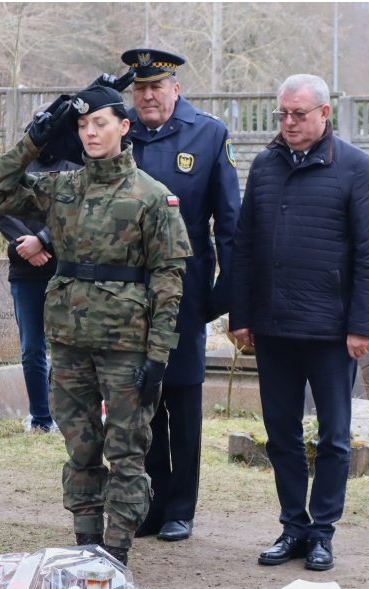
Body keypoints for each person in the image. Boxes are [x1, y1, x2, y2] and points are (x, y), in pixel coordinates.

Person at [0, 85, 192, 566]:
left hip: (126, 347)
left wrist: (158, 355)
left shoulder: (153, 198)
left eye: (101, 124)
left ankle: (116, 553)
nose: (90, 133)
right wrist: (33, 140)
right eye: (82, 126)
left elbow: (169, 279)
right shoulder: (62, 187)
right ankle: (86, 548)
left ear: (124, 128)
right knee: (81, 451)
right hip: (70, 342)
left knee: (127, 452)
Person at [230, 73, 369, 571]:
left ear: (324, 115)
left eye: (299, 114)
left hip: (330, 331)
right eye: (282, 114)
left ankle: (322, 532)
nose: (289, 123)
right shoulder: (265, 165)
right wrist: (242, 315)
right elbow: (245, 245)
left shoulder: (356, 169)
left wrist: (361, 326)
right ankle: (292, 526)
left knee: (334, 437)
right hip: (274, 328)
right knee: (281, 433)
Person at [111, 48, 241, 543]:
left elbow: (229, 223)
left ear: (175, 89)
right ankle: (148, 504)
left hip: (184, 291)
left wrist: (223, 297)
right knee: (137, 395)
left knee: (182, 397)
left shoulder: (208, 135)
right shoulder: (117, 131)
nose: (146, 96)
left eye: (155, 87)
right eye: (138, 88)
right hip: (124, 290)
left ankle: (180, 508)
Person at [0, 116, 80, 434]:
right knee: (32, 348)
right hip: (24, 269)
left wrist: (43, 240)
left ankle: (67, 413)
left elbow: (74, 213)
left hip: (64, 269)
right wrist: (26, 245)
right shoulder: (18, 165)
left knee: (68, 346)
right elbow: (1, 207)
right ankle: (41, 419)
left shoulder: (75, 164)